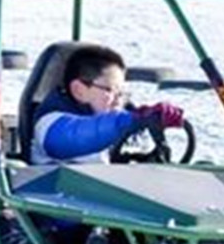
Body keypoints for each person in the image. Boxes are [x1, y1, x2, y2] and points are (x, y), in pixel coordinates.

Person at [31, 45, 184, 165]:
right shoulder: (51, 125)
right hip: (61, 198)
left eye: (121, 93)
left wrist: (154, 121)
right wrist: (132, 120)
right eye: (110, 90)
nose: (118, 100)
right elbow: (82, 134)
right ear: (79, 90)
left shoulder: (119, 121)